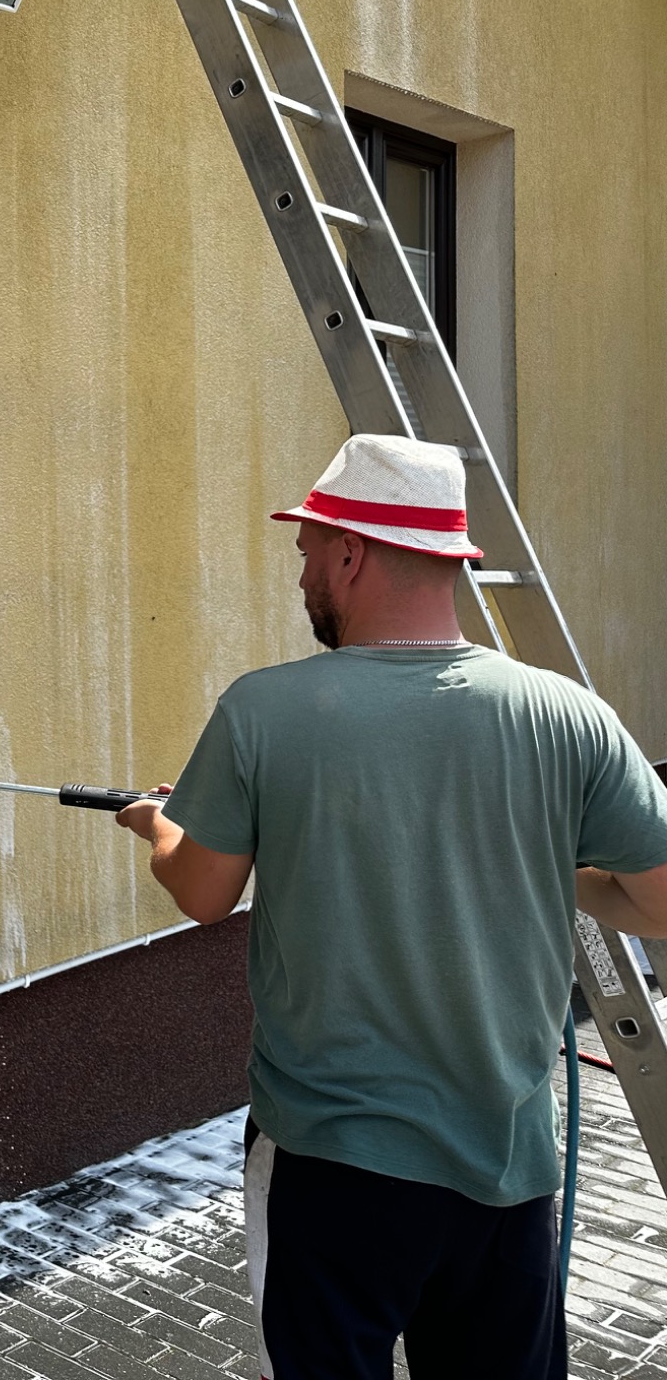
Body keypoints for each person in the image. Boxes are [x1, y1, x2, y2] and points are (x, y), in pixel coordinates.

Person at [113, 433, 667, 1379]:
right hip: (507, 1166)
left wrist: (157, 824)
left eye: (307, 553)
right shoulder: (564, 712)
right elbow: (658, 905)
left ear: (351, 551)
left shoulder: (264, 711)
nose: (302, 576)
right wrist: (534, 862)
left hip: (334, 1168)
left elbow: (204, 894)